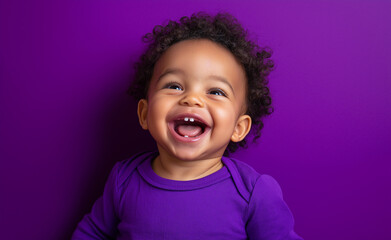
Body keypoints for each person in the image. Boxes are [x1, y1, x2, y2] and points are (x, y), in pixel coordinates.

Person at [72, 12, 303, 240]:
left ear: (238, 128)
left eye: (215, 91)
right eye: (174, 86)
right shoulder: (124, 179)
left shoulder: (253, 193)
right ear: (144, 113)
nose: (192, 99)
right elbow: (93, 232)